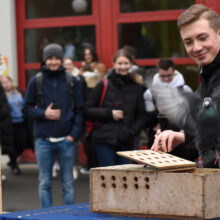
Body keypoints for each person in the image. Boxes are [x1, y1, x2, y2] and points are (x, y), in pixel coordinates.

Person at [151, 4, 220, 161]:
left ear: (219, 34)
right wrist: (179, 136)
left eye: (203, 38)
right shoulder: (207, 74)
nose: (196, 47)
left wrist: (182, 136)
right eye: (188, 42)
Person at [23, 43, 83, 208]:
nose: (54, 62)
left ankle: (69, 217)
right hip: (43, 140)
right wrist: (44, 113)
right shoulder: (36, 81)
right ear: (44, 60)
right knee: (44, 183)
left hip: (67, 140)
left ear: (62, 60)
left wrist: (73, 136)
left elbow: (79, 110)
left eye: (57, 58)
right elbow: (26, 108)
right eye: (50, 58)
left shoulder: (72, 81)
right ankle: (46, 216)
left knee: (68, 184)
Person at [84, 49, 146, 166]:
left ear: (131, 64)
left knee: (124, 180)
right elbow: (87, 111)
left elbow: (142, 115)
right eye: (120, 63)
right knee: (107, 179)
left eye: (126, 63)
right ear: (114, 64)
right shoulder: (103, 83)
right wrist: (109, 113)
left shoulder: (136, 87)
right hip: (103, 140)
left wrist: (131, 131)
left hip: (126, 141)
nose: (123, 67)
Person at [1, 76, 34, 175]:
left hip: (22, 122)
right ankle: (14, 164)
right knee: (12, 145)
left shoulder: (19, 92)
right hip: (9, 124)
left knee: (24, 142)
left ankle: (12, 161)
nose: (6, 84)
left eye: (8, 82)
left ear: (12, 82)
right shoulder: (2, 95)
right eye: (4, 83)